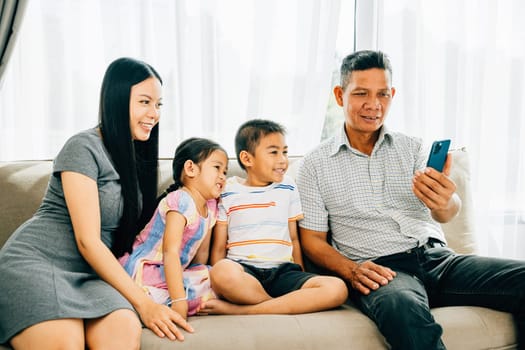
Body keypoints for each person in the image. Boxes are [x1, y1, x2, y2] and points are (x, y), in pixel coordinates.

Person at [296, 50, 525, 350]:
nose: (373, 105)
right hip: (383, 269)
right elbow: (312, 240)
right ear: (340, 95)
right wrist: (352, 270)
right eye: (361, 93)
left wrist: (444, 201)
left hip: (439, 259)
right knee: (401, 307)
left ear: (392, 95)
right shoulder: (315, 164)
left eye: (383, 94)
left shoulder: (413, 148)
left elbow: (447, 211)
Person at [0, 57, 193, 349]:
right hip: (37, 264)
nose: (154, 113)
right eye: (144, 102)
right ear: (116, 100)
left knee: (123, 332)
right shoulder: (83, 147)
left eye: (159, 104)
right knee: (67, 343)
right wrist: (144, 304)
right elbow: (87, 241)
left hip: (92, 276)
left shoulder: (137, 157)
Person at [200, 119, 348, 315]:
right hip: (244, 272)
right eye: (273, 152)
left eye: (284, 152)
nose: (283, 160)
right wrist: (217, 284)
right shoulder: (228, 190)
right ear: (247, 159)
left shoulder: (288, 187)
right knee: (221, 272)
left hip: (284, 272)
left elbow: (294, 238)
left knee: (337, 288)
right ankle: (279, 305)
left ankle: (245, 311)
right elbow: (219, 247)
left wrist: (300, 273)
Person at [120, 137, 228, 319]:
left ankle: (175, 297)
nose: (222, 176)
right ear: (190, 168)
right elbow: (170, 252)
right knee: (196, 290)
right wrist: (179, 301)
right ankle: (162, 300)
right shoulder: (180, 200)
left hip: (174, 271)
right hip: (148, 268)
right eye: (217, 168)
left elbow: (200, 257)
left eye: (225, 171)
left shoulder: (211, 207)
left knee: (209, 276)